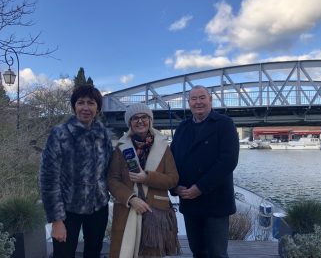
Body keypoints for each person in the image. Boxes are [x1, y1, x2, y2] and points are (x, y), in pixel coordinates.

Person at [40, 84, 113, 258]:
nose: (86, 108)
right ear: (74, 106)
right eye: (81, 102)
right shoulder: (60, 134)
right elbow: (48, 178)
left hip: (98, 208)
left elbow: (109, 171)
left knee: (93, 253)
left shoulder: (103, 135)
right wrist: (56, 220)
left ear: (98, 108)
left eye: (91, 103)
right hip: (67, 210)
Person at [170, 85, 240, 258]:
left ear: (210, 100)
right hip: (189, 200)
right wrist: (175, 186)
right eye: (194, 99)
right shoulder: (182, 127)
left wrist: (200, 187)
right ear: (189, 103)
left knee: (217, 253)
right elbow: (172, 159)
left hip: (215, 201)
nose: (198, 102)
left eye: (202, 97)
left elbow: (228, 161)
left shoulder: (224, 124)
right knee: (198, 251)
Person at [108, 103, 180, 258]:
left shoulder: (163, 147)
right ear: (129, 123)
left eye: (144, 117)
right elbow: (112, 180)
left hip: (155, 212)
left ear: (150, 120)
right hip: (128, 210)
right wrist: (131, 198)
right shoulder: (121, 148)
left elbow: (173, 179)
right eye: (135, 118)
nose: (140, 121)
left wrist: (148, 178)